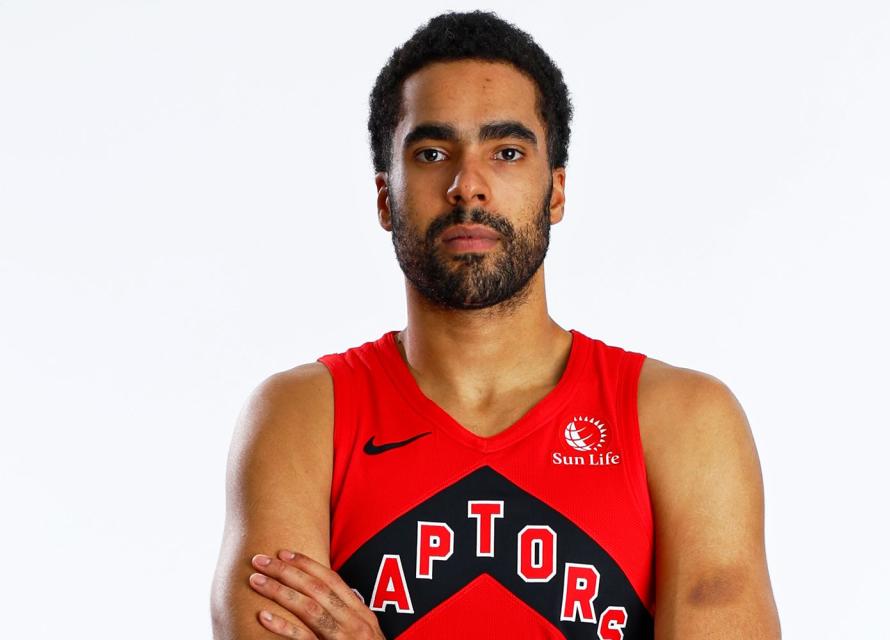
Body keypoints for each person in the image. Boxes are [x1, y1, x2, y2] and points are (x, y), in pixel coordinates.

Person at [210, 10, 781, 640]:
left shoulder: (686, 422)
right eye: (432, 153)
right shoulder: (301, 418)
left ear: (555, 192)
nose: (467, 186)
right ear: (384, 196)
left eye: (506, 152)